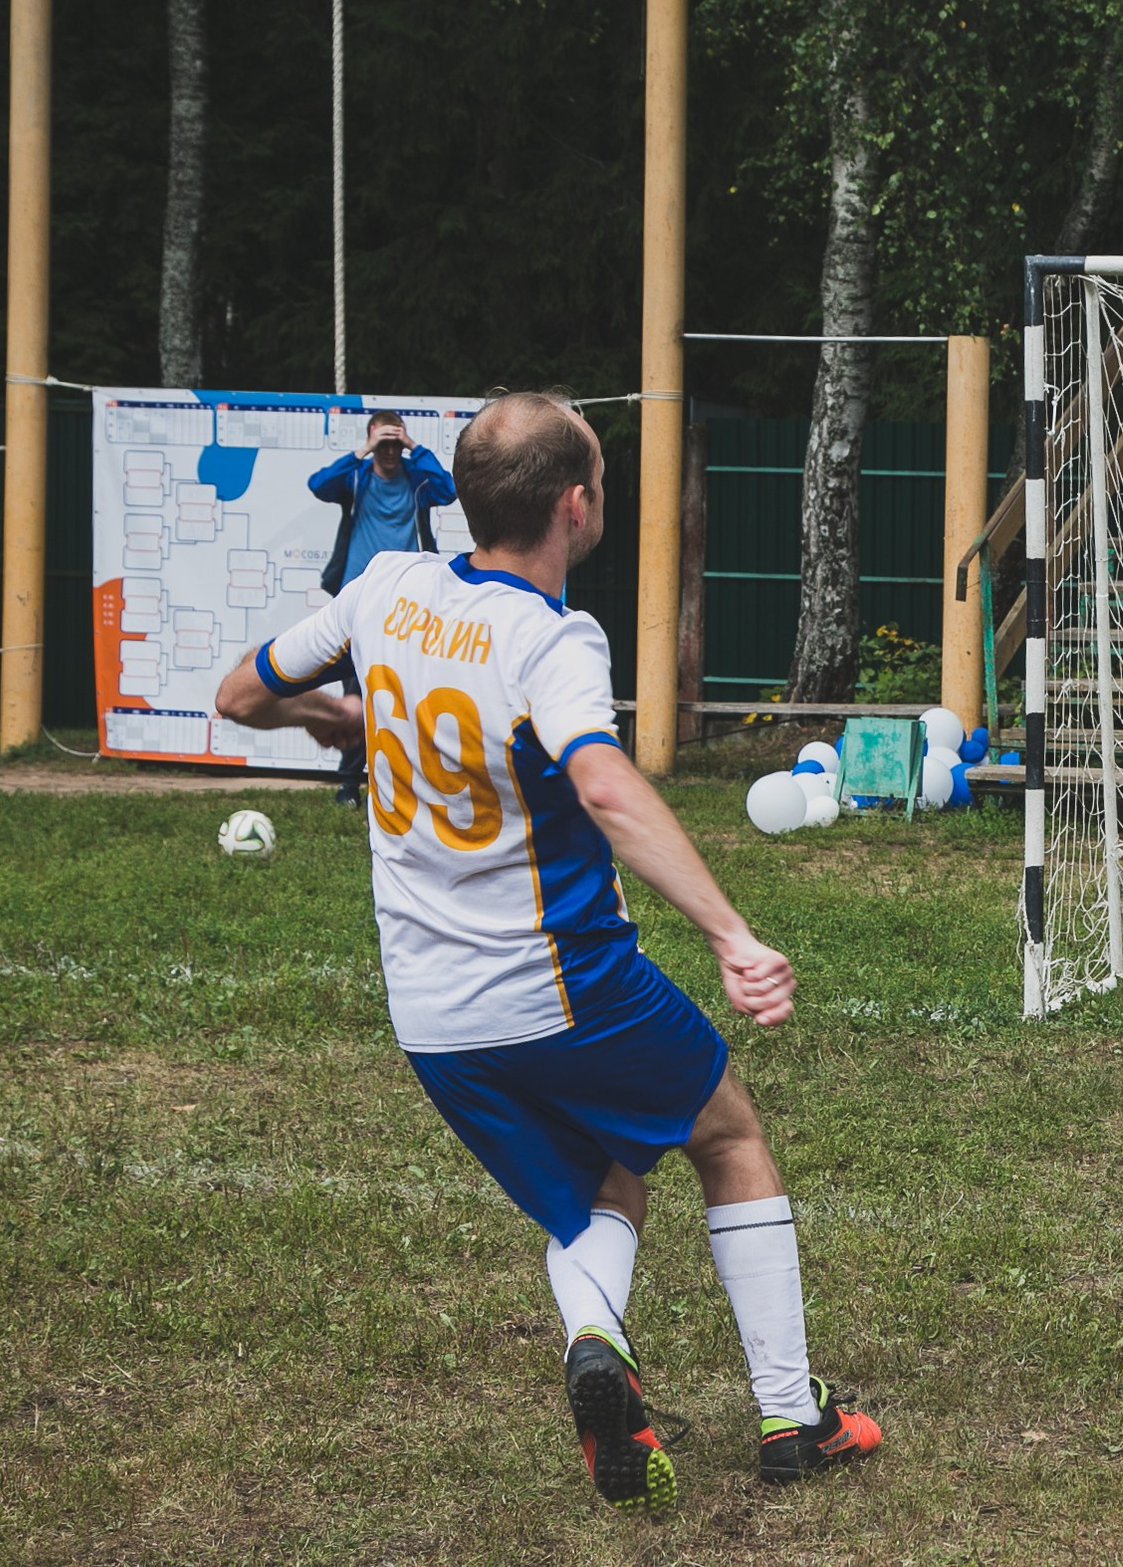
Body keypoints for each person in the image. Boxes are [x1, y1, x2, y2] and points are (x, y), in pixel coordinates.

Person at [215, 392, 878, 1514]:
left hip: (433, 1018)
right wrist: (731, 934)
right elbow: (605, 782)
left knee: (599, 1181)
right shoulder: (553, 639)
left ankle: (594, 1344)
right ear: (578, 507)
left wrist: (340, 721)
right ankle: (791, 1422)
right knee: (728, 1135)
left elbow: (242, 694)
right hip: (563, 987)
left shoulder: (386, 588)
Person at [308, 410, 457, 807]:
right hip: (359, 600)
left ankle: (403, 782)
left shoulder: (417, 479)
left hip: (410, 600)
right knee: (358, 692)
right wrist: (364, 450)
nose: (390, 451)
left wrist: (414, 447)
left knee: (411, 691)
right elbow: (319, 485)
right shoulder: (356, 478)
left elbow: (449, 490)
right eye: (383, 444)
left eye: (395, 444)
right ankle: (348, 785)